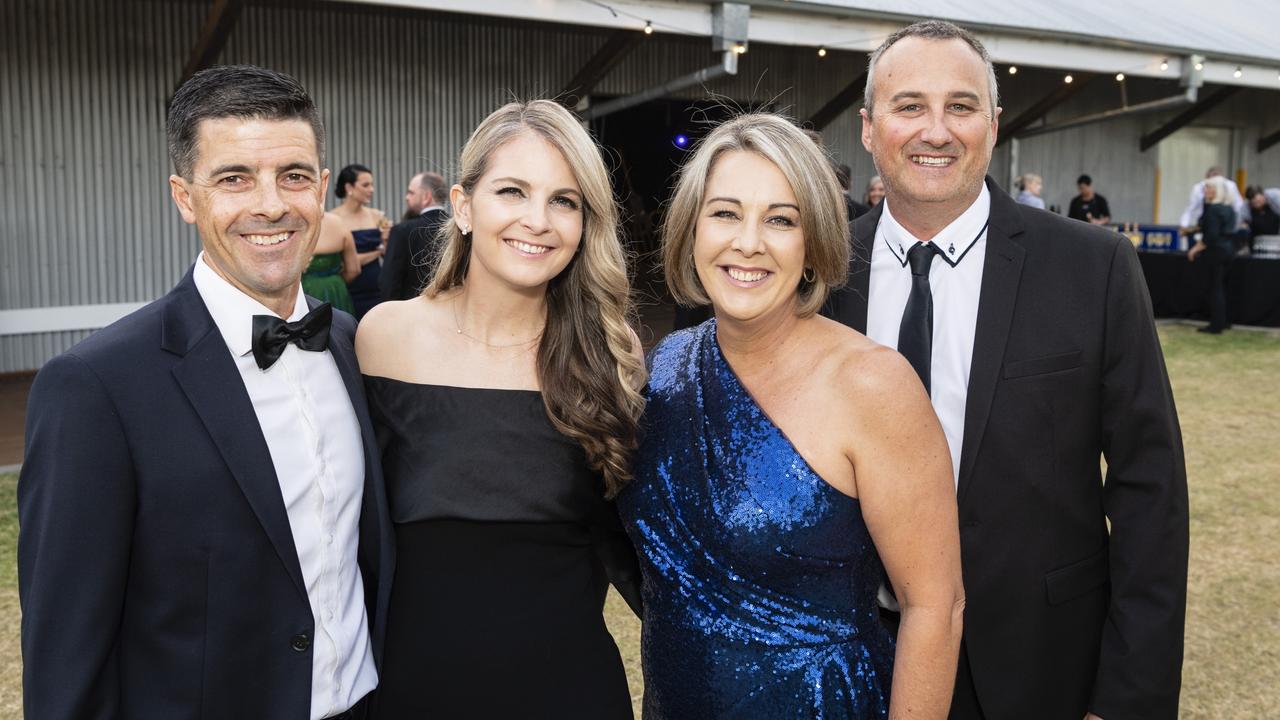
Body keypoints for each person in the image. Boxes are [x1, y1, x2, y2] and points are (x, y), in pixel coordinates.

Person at [826, 20, 1188, 720]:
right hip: (850, 663)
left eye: (960, 107)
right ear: (869, 129)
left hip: (1038, 667)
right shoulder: (819, 271)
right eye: (909, 107)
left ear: (993, 125)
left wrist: (1128, 699)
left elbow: (1151, 495)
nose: (937, 130)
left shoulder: (1093, 268)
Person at [18, 64, 394, 720]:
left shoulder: (350, 343)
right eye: (234, 179)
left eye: (295, 176)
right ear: (185, 197)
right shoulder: (95, 387)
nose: (272, 204)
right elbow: (66, 657)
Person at [619, 112, 964, 718]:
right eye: (725, 213)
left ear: (813, 244)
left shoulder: (873, 385)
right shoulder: (664, 369)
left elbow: (935, 608)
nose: (747, 241)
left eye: (780, 220)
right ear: (691, 230)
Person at [355, 99, 645, 719]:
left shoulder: (608, 360)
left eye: (564, 200)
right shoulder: (383, 337)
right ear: (462, 206)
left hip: (567, 694)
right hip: (413, 691)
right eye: (512, 191)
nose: (538, 220)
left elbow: (642, 553)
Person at [331, 163, 390, 318]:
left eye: (372, 184)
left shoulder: (376, 215)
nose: (372, 189)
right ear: (349, 187)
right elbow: (342, 263)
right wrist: (377, 251)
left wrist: (387, 240)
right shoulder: (334, 219)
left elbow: (389, 255)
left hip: (377, 289)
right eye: (366, 185)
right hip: (349, 289)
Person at [379, 171, 449, 301]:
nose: (406, 197)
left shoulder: (402, 230)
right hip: (453, 309)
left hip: (412, 311)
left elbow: (390, 281)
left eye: (411, 192)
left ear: (426, 197)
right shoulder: (459, 227)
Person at [1187, 176, 1237, 333]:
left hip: (1216, 251)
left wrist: (1195, 249)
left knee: (1215, 288)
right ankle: (1223, 321)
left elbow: (1211, 236)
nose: (1205, 191)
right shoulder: (1229, 209)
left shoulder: (1213, 210)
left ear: (1217, 191)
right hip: (1229, 249)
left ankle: (1216, 325)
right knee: (1222, 287)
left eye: (1208, 188)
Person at [303, 211, 360, 313]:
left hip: (303, 291)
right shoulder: (338, 222)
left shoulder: (287, 225)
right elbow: (354, 270)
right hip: (335, 290)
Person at [1177, 166, 1246, 231]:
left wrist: (1238, 224)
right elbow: (1190, 208)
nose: (1207, 190)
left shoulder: (1230, 186)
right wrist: (1184, 225)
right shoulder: (1199, 188)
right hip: (1204, 221)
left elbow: (1238, 206)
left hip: (1224, 223)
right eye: (1207, 187)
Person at [1243, 185, 1280, 252]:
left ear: (1263, 196)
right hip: (1256, 245)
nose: (1256, 204)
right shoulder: (1248, 211)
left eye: (1259, 201)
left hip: (1274, 244)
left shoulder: (1275, 201)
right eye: (1254, 203)